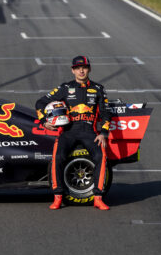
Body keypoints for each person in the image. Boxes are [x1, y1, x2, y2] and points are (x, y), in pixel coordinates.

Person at [35, 56, 112, 210]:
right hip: (68, 132)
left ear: (89, 68)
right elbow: (40, 103)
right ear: (73, 70)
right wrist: (44, 121)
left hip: (90, 132)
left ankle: (97, 197)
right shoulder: (65, 87)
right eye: (77, 68)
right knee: (58, 157)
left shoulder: (98, 89)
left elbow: (106, 114)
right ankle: (58, 197)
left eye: (84, 67)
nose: (81, 70)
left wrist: (103, 133)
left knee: (101, 156)